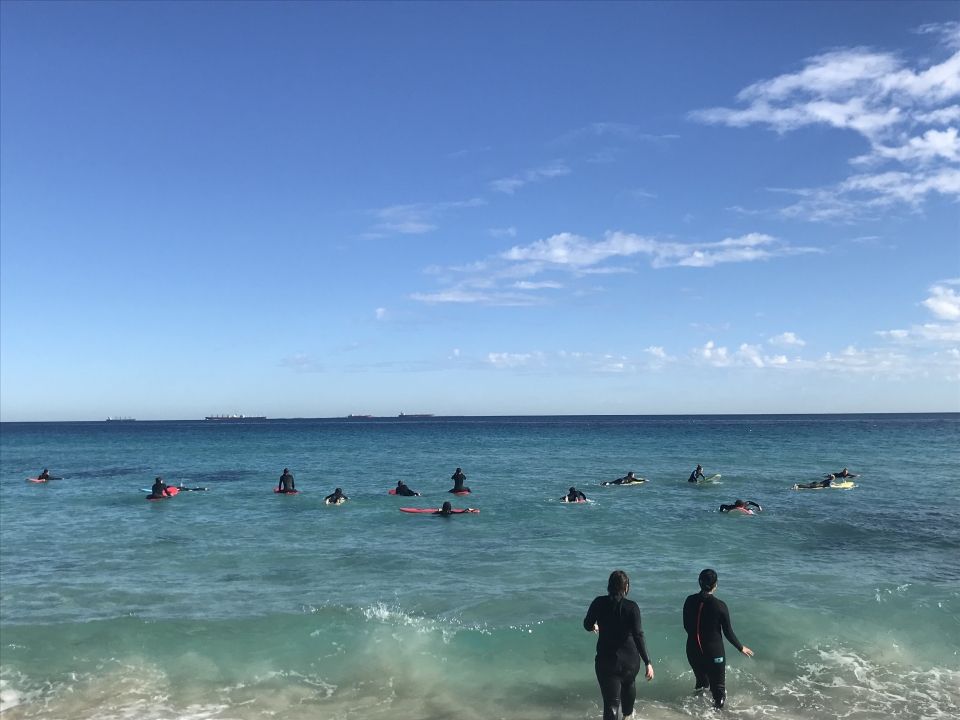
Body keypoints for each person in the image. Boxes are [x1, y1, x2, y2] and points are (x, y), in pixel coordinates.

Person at [583, 570, 655, 720]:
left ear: (609, 586)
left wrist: (593, 627)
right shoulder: (632, 607)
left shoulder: (598, 602)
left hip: (606, 661)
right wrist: (648, 662)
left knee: (611, 705)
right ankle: (628, 716)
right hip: (630, 662)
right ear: (626, 587)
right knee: (629, 685)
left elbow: (587, 624)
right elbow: (638, 635)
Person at [682, 568, 753, 710]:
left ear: (699, 583)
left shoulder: (689, 601)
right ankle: (716, 714)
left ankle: (693, 713)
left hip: (693, 650)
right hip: (714, 652)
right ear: (715, 585)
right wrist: (740, 647)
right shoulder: (720, 606)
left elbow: (687, 626)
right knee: (718, 691)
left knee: (701, 684)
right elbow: (728, 632)